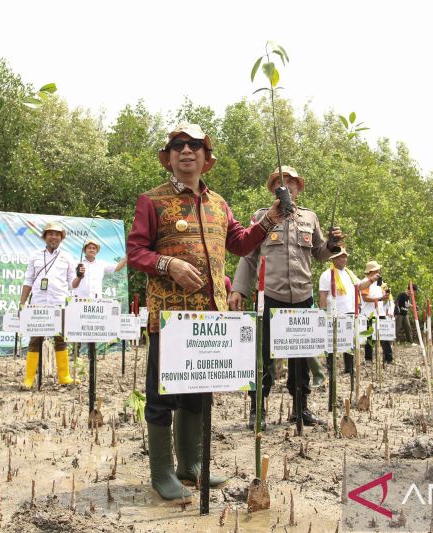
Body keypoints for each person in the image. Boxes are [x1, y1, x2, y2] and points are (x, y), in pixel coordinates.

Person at [126, 123, 284, 500]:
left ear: (205, 157)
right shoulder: (152, 200)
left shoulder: (219, 204)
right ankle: (162, 472)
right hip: (169, 318)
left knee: (198, 392)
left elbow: (240, 244)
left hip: (209, 319)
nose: (186, 151)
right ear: (169, 157)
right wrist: (169, 265)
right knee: (162, 396)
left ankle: (190, 465)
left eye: (194, 145)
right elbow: (135, 253)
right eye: (178, 145)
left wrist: (271, 219)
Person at [229, 165, 344, 429]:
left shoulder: (309, 217)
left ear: (299, 188)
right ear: (273, 189)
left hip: (302, 295)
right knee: (264, 357)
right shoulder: (262, 217)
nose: (287, 185)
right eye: (281, 182)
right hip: (269, 295)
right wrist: (239, 289)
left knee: (301, 357)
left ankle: (300, 408)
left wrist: (332, 246)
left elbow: (318, 253)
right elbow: (249, 256)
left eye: (292, 182)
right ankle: (258, 409)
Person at [19, 222, 78, 389]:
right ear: (44, 236)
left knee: (60, 340)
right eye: (50, 234)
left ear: (62, 238)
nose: (54, 237)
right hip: (38, 303)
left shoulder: (67, 257)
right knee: (35, 340)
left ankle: (64, 377)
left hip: (59, 304)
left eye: (58, 234)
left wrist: (80, 276)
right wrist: (22, 303)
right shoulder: (35, 256)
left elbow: (72, 284)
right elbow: (28, 280)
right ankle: (29, 379)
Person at [317, 249, 376, 377]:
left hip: (349, 312)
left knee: (349, 342)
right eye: (341, 257)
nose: (344, 259)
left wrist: (371, 280)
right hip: (334, 313)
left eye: (345, 257)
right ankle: (331, 369)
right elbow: (323, 295)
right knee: (332, 342)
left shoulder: (349, 273)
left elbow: (360, 286)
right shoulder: (327, 274)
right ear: (334, 259)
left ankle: (349, 369)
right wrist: (323, 313)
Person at [360, 261, 393, 364]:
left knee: (384, 335)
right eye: (377, 270)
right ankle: (369, 359)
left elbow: (381, 296)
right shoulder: (365, 282)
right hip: (369, 313)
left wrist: (385, 296)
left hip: (380, 312)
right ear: (371, 271)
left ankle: (388, 359)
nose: (379, 272)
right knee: (370, 337)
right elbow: (365, 298)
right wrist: (380, 298)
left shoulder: (379, 283)